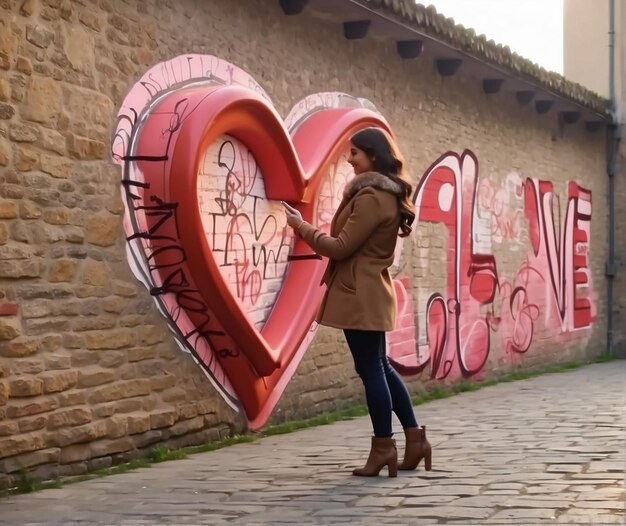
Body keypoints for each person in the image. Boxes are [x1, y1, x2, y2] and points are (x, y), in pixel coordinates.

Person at [282, 127, 432, 478]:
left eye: (355, 154)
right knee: (380, 366)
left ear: (374, 157)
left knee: (371, 371)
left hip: (358, 295)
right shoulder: (386, 195)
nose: (349, 160)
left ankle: (383, 447)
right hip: (370, 291)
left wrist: (300, 227)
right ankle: (415, 439)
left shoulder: (371, 197)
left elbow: (338, 247)